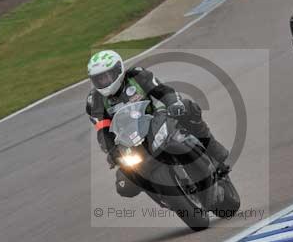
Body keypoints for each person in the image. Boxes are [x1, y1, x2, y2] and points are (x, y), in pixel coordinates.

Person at [85, 50, 229, 197]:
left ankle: (215, 153)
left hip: (157, 119)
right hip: (129, 141)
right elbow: (102, 131)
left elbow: (163, 91)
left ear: (118, 70)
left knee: (188, 107)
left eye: (106, 76)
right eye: (99, 79)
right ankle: (162, 195)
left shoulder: (137, 75)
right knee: (124, 185)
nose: (103, 82)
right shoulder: (94, 101)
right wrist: (112, 151)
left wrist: (174, 103)